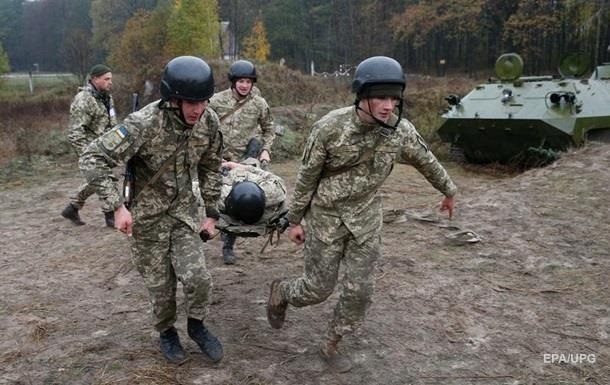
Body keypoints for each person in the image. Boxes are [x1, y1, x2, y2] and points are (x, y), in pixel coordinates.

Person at [266, 56, 457, 373]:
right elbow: (306, 178)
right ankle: (282, 291)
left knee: (360, 291)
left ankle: (333, 339)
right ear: (362, 95)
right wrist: (295, 220)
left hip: (366, 221)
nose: (388, 106)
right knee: (317, 289)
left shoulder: (400, 131)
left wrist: (449, 191)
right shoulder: (328, 129)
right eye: (381, 97)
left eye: (394, 98)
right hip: (326, 220)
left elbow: (427, 160)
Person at [79, 56, 224, 364]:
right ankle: (167, 332)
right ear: (173, 99)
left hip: (184, 214)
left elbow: (212, 166)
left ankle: (196, 325)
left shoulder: (208, 122)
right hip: (147, 219)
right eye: (190, 102)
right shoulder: (144, 123)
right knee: (161, 287)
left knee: (198, 277)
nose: (198, 109)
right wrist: (117, 206)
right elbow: (93, 158)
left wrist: (212, 213)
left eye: (204, 101)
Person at [208, 59, 275, 263]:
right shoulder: (217, 101)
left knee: (239, 201)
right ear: (233, 82)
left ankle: (229, 243)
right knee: (214, 198)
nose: (244, 85)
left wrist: (265, 150)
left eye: (248, 81)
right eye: (241, 81)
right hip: (220, 158)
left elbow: (269, 129)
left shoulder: (259, 104)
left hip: (246, 161)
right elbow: (204, 124)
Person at [61, 64, 117, 227]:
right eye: (106, 79)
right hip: (91, 148)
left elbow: (111, 122)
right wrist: (87, 154)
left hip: (107, 147)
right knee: (104, 178)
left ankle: (72, 207)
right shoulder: (84, 99)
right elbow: (75, 132)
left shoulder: (106, 97)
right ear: (94, 79)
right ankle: (110, 215)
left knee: (99, 179)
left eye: (111, 79)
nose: (110, 82)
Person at [216, 158, 287, 264]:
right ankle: (228, 247)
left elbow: (200, 189)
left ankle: (227, 246)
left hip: (232, 195)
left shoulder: (220, 196)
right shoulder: (273, 192)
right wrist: (243, 167)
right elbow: (273, 178)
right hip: (246, 172)